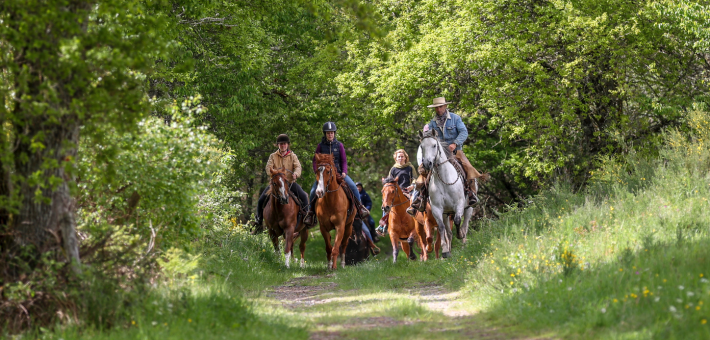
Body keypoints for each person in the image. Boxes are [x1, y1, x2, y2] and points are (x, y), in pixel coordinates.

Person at [303, 121, 369, 226]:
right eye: (328, 133)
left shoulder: (339, 145)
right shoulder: (320, 146)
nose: (330, 134)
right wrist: (317, 171)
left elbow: (344, 160)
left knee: (353, 187)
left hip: (338, 173)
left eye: (332, 133)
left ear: (334, 133)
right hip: (324, 175)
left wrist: (344, 172)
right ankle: (310, 214)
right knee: (312, 192)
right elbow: (315, 160)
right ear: (325, 134)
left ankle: (360, 208)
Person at [424, 96, 482, 205]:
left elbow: (464, 132)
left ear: (445, 106)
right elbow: (430, 139)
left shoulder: (455, 118)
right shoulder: (432, 123)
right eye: (436, 108)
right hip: (439, 155)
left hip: (456, 152)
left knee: (469, 168)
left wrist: (455, 143)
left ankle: (472, 194)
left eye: (440, 107)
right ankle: (421, 198)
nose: (438, 109)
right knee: (423, 171)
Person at [251, 134, 308, 234]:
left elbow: (298, 167)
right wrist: (275, 174)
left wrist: (296, 174)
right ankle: (259, 222)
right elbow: (268, 168)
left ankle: (307, 218)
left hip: (289, 182)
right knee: (261, 200)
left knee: (303, 196)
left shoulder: (292, 156)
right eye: (281, 144)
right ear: (278, 145)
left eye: (285, 144)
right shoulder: (273, 156)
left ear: (287, 145)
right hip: (276, 184)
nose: (283, 145)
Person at [376, 149, 417, 236]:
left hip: (408, 190)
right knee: (386, 203)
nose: (400, 158)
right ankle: (383, 225)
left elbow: (415, 178)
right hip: (396, 192)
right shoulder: (393, 169)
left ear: (405, 158)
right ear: (396, 158)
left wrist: (412, 186)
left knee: (416, 199)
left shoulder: (410, 167)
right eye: (399, 157)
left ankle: (420, 220)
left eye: (402, 156)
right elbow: (389, 181)